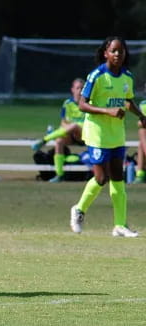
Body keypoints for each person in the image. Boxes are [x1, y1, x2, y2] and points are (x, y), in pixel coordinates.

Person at [70, 36, 146, 237]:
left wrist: (141, 116)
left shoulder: (127, 77)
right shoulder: (97, 76)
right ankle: (79, 209)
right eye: (114, 50)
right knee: (101, 178)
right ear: (106, 53)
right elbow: (82, 104)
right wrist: (108, 111)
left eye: (121, 51)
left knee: (118, 178)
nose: (118, 54)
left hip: (116, 134)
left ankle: (120, 225)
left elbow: (128, 101)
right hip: (97, 133)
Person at [31, 78, 86, 182]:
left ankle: (45, 139)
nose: (80, 91)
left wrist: (72, 126)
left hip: (84, 135)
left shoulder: (88, 103)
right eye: (78, 88)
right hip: (70, 134)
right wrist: (68, 128)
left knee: (74, 125)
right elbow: (63, 122)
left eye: (82, 88)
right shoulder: (67, 103)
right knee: (59, 141)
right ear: (72, 90)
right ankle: (59, 175)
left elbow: (88, 124)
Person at [132, 84, 146, 183]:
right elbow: (141, 121)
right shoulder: (143, 104)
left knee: (142, 131)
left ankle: (140, 173)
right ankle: (140, 173)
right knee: (141, 141)